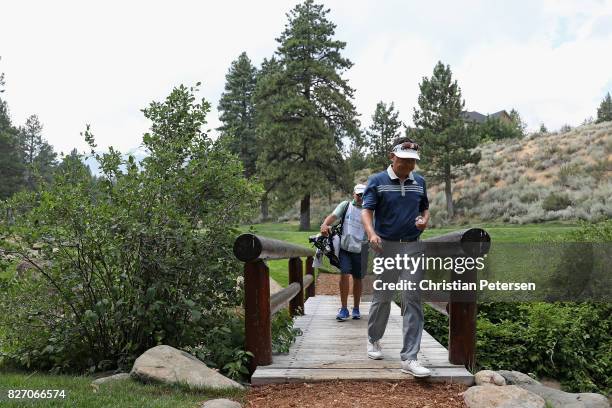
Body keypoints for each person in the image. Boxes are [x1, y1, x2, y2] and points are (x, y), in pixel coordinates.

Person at [361, 137, 431, 377]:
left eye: (413, 162)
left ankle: (409, 358)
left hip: (412, 246)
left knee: (412, 296)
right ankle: (373, 338)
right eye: (404, 161)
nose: (409, 166)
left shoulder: (419, 182)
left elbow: (424, 207)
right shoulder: (377, 181)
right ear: (392, 156)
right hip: (385, 247)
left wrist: (424, 221)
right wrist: (371, 233)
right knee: (383, 296)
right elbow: (367, 211)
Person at [320, 184, 368, 321]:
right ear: (354, 194)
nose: (361, 197)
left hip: (362, 248)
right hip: (345, 247)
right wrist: (324, 224)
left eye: (363, 195)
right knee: (344, 274)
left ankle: (356, 308)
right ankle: (344, 308)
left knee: (358, 278)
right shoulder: (345, 205)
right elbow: (333, 216)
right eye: (358, 194)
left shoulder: (370, 209)